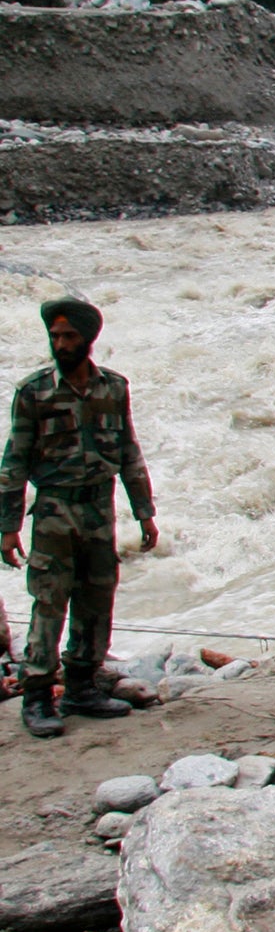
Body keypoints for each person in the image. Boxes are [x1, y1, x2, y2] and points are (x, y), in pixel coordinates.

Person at [0, 299, 158, 739]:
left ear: (88, 339)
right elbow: (13, 462)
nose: (61, 344)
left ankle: (82, 687)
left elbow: (129, 451)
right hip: (53, 508)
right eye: (55, 336)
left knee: (97, 595)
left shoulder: (113, 387)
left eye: (69, 336)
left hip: (99, 506)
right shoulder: (34, 391)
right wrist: (8, 526)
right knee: (50, 598)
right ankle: (37, 695)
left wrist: (144, 512)